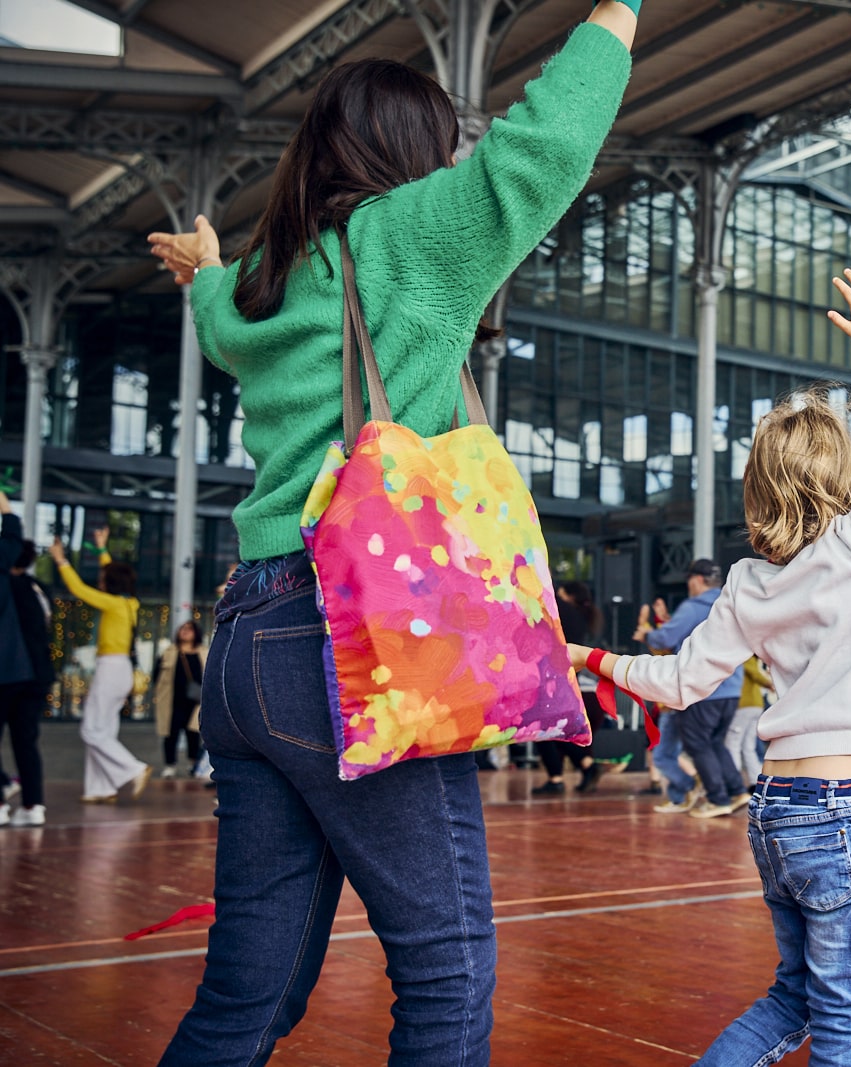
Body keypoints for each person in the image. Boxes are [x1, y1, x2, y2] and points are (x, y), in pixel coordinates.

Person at [145, 6, 637, 1061]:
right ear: (412, 161)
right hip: (351, 639)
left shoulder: (263, 282)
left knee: (249, 988)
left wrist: (203, 261)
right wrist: (618, 11)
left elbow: (215, 306)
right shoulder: (408, 235)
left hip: (245, 646)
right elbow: (544, 147)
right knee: (447, 971)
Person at [570, 267, 851, 1065]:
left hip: (774, 810)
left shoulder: (748, 583)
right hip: (842, 811)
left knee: (792, 999)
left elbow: (677, 683)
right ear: (841, 474)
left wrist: (589, 655)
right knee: (844, 1020)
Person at [48, 528, 150, 804]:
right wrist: (103, 550)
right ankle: (100, 788)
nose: (101, 580)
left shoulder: (113, 604)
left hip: (111, 668)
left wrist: (61, 560)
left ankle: (133, 768)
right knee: (104, 730)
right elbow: (114, 572)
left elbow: (78, 589)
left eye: (104, 578)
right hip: (123, 671)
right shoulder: (130, 604)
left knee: (91, 730)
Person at [638, 559, 746, 818]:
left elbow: (665, 638)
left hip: (703, 689)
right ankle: (737, 790)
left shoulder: (694, 606)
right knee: (715, 742)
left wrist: (646, 634)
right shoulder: (730, 605)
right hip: (731, 688)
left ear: (697, 580)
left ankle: (718, 799)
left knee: (697, 744)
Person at [1, 496, 53, 827]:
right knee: (26, 741)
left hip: (9, 671)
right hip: (34, 674)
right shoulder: (40, 589)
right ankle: (34, 804)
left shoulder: (12, 584)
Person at [532, 580, 606, 795]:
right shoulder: (581, 617)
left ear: (566, 595)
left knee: (543, 727)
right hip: (571, 682)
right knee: (549, 728)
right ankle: (584, 767)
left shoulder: (558, 609)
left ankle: (564, 774)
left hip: (552, 680)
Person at [151, 620, 208, 779]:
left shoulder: (203, 652)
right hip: (172, 700)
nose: (185, 631)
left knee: (193, 733)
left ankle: (192, 764)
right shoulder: (169, 652)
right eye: (182, 628)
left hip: (196, 702)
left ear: (196, 633)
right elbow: (157, 674)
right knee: (170, 733)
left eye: (189, 629)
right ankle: (170, 765)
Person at [725, 655, 773, 788]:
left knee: (732, 744)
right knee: (748, 746)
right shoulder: (751, 658)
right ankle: (756, 781)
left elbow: (754, 673)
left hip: (744, 705)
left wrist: (769, 683)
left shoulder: (744, 657)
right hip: (756, 705)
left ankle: (735, 784)